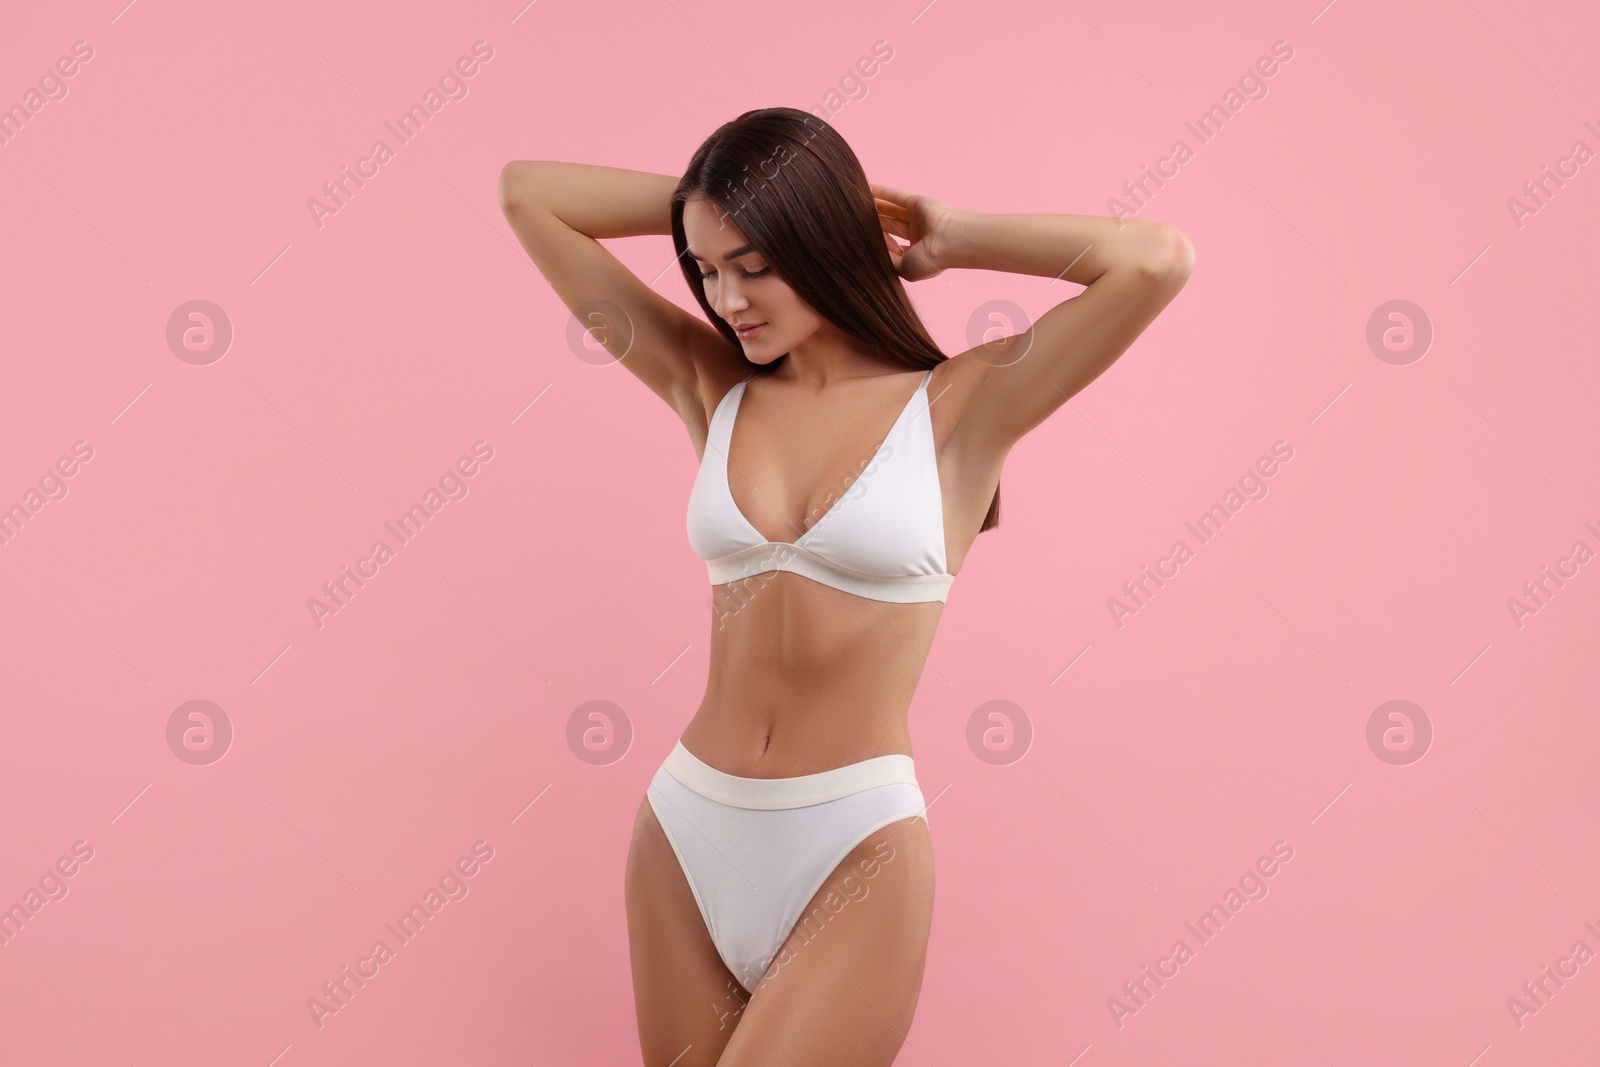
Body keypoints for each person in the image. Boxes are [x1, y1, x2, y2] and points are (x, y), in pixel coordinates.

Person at [498, 106, 1193, 1066]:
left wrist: (952, 237)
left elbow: (1155, 260)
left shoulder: (961, 409)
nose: (726, 298)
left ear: (820, 243)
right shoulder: (712, 388)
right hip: (688, 827)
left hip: (852, 847)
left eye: (755, 263)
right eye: (704, 268)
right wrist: (720, 202)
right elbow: (527, 192)